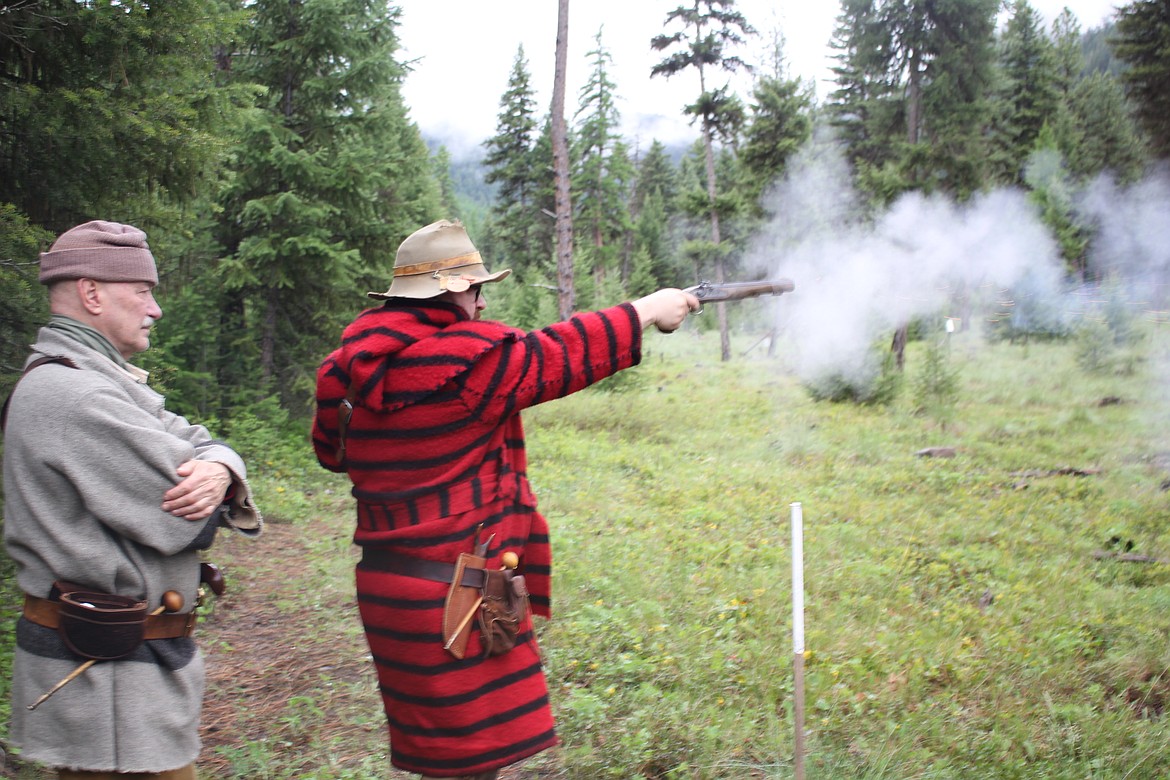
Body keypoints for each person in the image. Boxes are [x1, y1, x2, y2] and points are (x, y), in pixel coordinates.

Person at [312, 219, 698, 780]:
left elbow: (331, 453)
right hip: (456, 598)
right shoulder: (468, 363)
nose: (481, 300)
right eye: (474, 288)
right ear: (448, 290)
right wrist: (648, 308)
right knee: (469, 769)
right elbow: (556, 355)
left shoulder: (346, 370)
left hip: (388, 592)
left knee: (445, 765)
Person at [2, 220, 262, 780]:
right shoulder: (75, 394)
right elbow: (185, 516)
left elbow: (197, 441)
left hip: (116, 680)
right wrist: (216, 476)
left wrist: (220, 464)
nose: (155, 309)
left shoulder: (100, 379)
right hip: (107, 689)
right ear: (92, 293)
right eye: (142, 292)